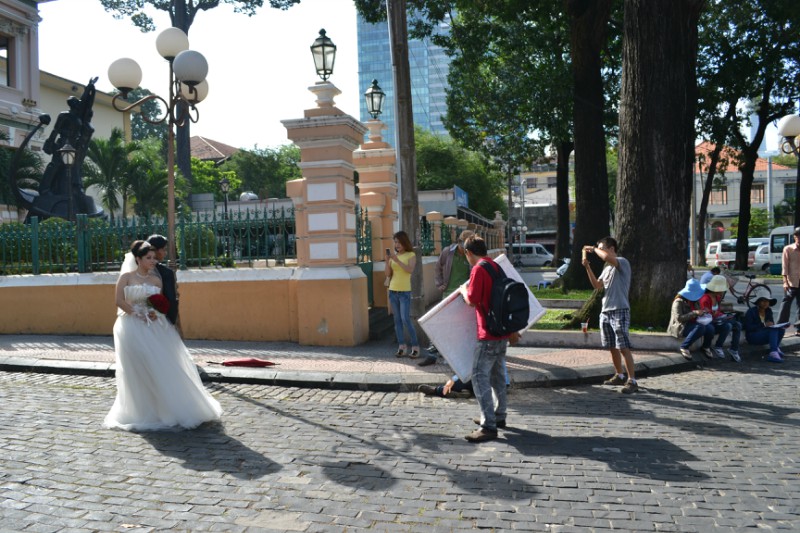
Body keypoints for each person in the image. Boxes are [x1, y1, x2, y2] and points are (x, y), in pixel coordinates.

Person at [103, 240, 222, 431]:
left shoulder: (156, 280)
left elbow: (158, 303)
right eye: (148, 258)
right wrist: (136, 313)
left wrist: (154, 313)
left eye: (153, 257)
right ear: (138, 259)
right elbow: (118, 300)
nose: (152, 261)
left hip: (155, 327)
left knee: (159, 365)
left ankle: (165, 408)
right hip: (131, 326)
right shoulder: (126, 277)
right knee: (136, 368)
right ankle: (140, 409)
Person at [458, 235, 510, 442]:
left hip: (487, 332)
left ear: (469, 253)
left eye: (466, 254)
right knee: (497, 376)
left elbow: (472, 300)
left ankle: (489, 425)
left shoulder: (478, 269)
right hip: (501, 331)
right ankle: (499, 415)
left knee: (479, 377)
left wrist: (463, 290)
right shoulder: (496, 266)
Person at [582, 237, 638, 394]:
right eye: (599, 248)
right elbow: (597, 286)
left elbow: (606, 257)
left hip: (620, 309)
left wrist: (593, 249)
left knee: (623, 346)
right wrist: (588, 267)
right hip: (605, 311)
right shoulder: (607, 269)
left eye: (602, 248)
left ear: (612, 248)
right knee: (612, 346)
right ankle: (619, 374)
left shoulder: (622, 262)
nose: (600, 251)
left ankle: (632, 380)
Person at [418, 229, 475, 367]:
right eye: (463, 244)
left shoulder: (471, 255)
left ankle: (455, 357)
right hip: (447, 294)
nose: (464, 248)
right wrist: (439, 283)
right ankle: (432, 355)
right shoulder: (448, 252)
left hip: (463, 296)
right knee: (441, 325)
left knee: (460, 328)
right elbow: (437, 267)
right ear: (459, 242)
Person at [385, 230, 420, 358]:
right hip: (393, 291)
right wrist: (387, 261)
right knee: (397, 320)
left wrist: (397, 260)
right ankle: (401, 346)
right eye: (395, 242)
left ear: (404, 242)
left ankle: (415, 346)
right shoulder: (393, 256)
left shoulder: (411, 255)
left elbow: (410, 270)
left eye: (399, 242)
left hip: (404, 292)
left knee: (405, 319)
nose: (397, 245)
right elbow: (388, 274)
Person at [667, 278, 714, 361]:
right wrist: (694, 313)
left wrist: (703, 312)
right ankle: (684, 346)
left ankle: (706, 346)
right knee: (700, 327)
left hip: (693, 323)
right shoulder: (678, 302)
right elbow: (679, 318)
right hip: (681, 326)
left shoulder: (695, 301)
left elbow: (698, 312)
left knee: (710, 328)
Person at [698, 274, 742, 361]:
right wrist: (716, 315)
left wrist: (723, 316)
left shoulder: (717, 297)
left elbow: (717, 311)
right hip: (709, 323)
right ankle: (718, 346)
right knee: (728, 326)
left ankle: (734, 349)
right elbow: (706, 314)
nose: (723, 291)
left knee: (738, 324)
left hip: (717, 320)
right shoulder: (705, 298)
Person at [147, 234, 180, 328]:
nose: (165, 253)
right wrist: (172, 320)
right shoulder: (166, 273)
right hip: (160, 321)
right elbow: (170, 299)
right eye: (164, 249)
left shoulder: (138, 271)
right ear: (156, 250)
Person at [743, 296, 787, 363]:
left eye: (767, 301)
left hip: (764, 334)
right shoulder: (751, 311)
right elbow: (748, 327)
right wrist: (763, 325)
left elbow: (771, 324)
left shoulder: (768, 311)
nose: (765, 303)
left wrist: (772, 325)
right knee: (773, 330)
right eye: (763, 301)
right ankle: (773, 353)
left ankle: (775, 349)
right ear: (758, 302)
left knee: (781, 329)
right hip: (753, 336)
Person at [778, 227, 800, 334]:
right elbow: (785, 267)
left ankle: (799, 328)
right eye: (796, 236)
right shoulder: (788, 249)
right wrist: (785, 281)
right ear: (794, 237)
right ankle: (780, 325)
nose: (798, 238)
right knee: (786, 303)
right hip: (791, 282)